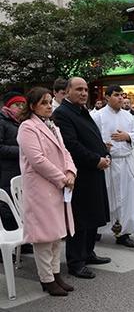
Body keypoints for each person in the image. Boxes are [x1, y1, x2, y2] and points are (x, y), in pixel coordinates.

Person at [17, 87, 77, 296]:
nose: (49, 105)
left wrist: (71, 171)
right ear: (33, 106)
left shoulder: (53, 126)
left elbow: (65, 151)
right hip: (41, 188)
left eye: (50, 102)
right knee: (44, 237)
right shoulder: (27, 127)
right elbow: (38, 160)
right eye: (44, 102)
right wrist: (62, 179)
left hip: (57, 186)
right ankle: (46, 278)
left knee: (56, 234)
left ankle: (55, 273)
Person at [53, 77, 111, 279]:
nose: (84, 93)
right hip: (80, 173)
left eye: (86, 89)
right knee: (79, 218)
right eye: (79, 89)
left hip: (94, 171)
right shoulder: (62, 113)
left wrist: (104, 153)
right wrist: (96, 159)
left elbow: (93, 136)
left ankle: (88, 253)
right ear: (67, 91)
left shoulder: (81, 110)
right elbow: (71, 145)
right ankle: (76, 262)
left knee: (93, 215)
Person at [92, 85, 134, 248]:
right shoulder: (97, 116)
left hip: (125, 161)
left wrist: (127, 136)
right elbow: (91, 137)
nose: (120, 98)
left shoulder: (129, 116)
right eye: (116, 95)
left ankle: (124, 233)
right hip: (108, 163)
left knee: (127, 198)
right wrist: (101, 147)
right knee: (107, 196)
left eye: (122, 95)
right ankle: (99, 229)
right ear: (107, 97)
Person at [0, 92, 26, 236]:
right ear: (8, 106)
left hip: (19, 170)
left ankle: (22, 240)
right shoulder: (2, 121)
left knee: (20, 206)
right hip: (6, 171)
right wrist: (22, 151)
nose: (21, 108)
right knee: (6, 208)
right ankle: (8, 239)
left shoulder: (20, 122)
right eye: (17, 105)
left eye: (23, 105)